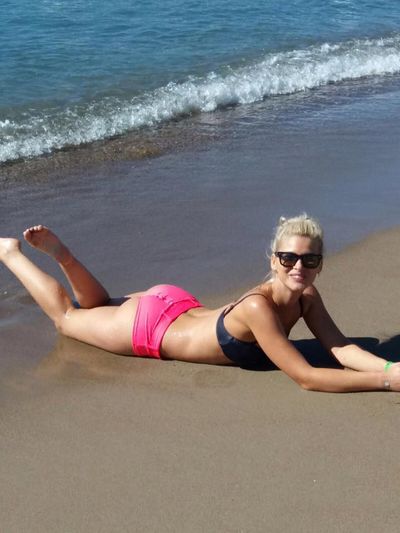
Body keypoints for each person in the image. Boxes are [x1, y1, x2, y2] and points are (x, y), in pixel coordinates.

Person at [1, 214, 399, 392]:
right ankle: (11, 253)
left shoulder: (307, 296)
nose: (299, 267)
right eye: (288, 258)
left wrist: (387, 366)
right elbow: (306, 377)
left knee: (99, 305)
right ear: (273, 261)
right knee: (67, 317)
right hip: (150, 327)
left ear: (320, 265)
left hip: (178, 304)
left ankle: (65, 256)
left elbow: (340, 348)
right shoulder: (257, 307)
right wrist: (386, 383)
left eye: (309, 260)